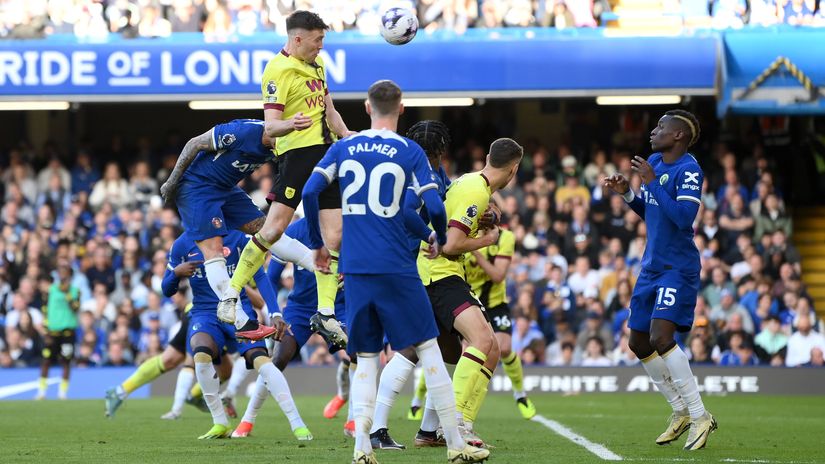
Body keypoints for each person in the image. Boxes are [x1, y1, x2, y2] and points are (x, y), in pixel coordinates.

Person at [302, 79, 489, 464]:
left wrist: (319, 244)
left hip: (355, 268)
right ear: (401, 109)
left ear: (367, 108)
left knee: (367, 357)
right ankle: (454, 444)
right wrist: (435, 236)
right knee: (428, 348)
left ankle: (362, 448)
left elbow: (308, 192)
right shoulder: (408, 151)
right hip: (398, 268)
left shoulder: (343, 147)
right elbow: (433, 207)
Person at [218, 10, 354, 349]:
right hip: (298, 156)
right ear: (297, 38)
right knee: (273, 229)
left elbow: (329, 110)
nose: (321, 46)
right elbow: (270, 126)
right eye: (317, 40)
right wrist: (290, 124)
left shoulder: (317, 67)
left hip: (327, 154)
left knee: (334, 235)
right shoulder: (276, 70)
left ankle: (325, 311)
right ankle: (231, 293)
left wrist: (347, 135)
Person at [604, 109, 717, 450]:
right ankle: (679, 411)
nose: (653, 132)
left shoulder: (689, 170)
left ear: (679, 135)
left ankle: (700, 415)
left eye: (661, 127)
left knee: (661, 337)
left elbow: (683, 218)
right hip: (651, 268)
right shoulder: (655, 160)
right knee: (638, 343)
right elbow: (654, 210)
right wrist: (628, 195)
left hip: (677, 268)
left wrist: (652, 181)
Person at [159, 118, 307, 340]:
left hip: (225, 189)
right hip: (196, 188)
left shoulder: (277, 145)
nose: (283, 149)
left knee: (268, 230)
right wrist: (171, 182)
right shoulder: (242, 132)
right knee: (214, 251)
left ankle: (323, 266)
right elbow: (194, 143)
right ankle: (242, 322)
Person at [160, 230, 308, 440]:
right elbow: (166, 290)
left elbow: (260, 276)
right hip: (205, 312)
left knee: (262, 362)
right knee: (200, 352)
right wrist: (176, 274)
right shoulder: (182, 244)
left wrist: (274, 311)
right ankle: (219, 423)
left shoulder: (238, 238)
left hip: (239, 310)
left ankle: (297, 424)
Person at [231, 217, 352, 439]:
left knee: (357, 354)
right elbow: (273, 277)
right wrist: (275, 313)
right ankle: (247, 421)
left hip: (339, 305)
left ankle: (353, 420)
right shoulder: (295, 229)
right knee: (279, 359)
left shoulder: (346, 225)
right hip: (301, 309)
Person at [465, 224, 537, 419]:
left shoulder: (505, 237)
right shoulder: (462, 234)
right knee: (460, 354)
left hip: (495, 304)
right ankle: (418, 401)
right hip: (468, 303)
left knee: (503, 348)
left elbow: (498, 276)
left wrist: (476, 253)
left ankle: (520, 395)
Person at [36, 262, 80, 400]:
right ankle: (42, 392)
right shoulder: (51, 290)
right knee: (46, 360)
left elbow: (75, 308)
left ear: (69, 275)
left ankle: (62, 393)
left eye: (64, 272)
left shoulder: (75, 291)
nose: (62, 275)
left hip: (67, 332)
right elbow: (45, 310)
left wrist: (67, 294)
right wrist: (46, 329)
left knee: (66, 362)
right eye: (60, 272)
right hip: (52, 333)